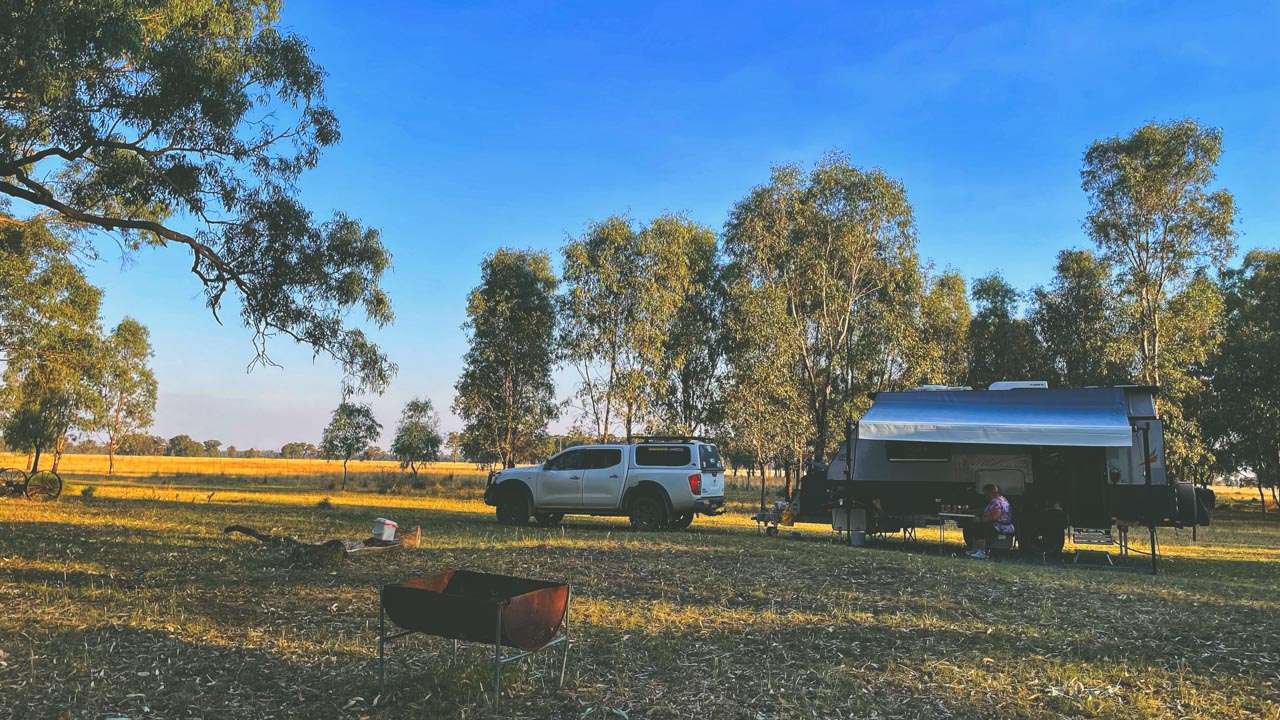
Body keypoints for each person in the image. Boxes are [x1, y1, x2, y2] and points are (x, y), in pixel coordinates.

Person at [967, 483, 1015, 559]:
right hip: (1003, 525)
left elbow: (996, 516)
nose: (985, 496)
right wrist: (972, 511)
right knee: (977, 525)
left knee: (978, 527)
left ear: (990, 493)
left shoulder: (997, 502)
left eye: (985, 493)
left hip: (1000, 526)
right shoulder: (1001, 499)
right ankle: (976, 550)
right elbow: (986, 510)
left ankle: (982, 551)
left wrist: (981, 520)